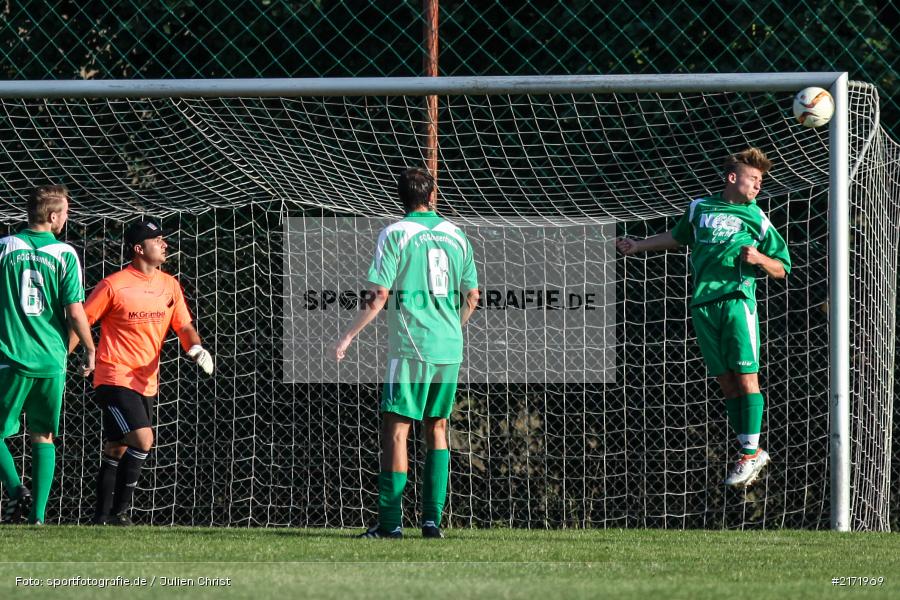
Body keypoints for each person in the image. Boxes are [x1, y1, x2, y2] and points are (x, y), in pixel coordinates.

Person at [616, 147, 791, 489]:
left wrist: (758, 259)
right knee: (726, 381)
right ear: (732, 178)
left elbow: (782, 267)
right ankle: (749, 451)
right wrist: (638, 245)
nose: (758, 185)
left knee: (746, 377)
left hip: (737, 302)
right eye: (753, 178)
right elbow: (678, 237)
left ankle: (750, 452)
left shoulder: (757, 218)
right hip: (703, 305)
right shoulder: (699, 208)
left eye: (760, 181)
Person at [332, 167, 479, 539]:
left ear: (401, 197)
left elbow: (379, 295)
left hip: (412, 346)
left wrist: (348, 335)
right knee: (438, 428)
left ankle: (391, 523)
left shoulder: (394, 234)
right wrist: (453, 329)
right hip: (450, 348)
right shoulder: (457, 235)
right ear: (432, 195)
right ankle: (432, 522)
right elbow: (473, 297)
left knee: (396, 431)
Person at [70, 219, 214, 525]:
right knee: (144, 439)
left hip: (147, 381)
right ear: (139, 249)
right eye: (157, 240)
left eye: (163, 239)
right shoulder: (114, 285)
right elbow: (83, 320)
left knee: (117, 447)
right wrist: (62, 357)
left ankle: (100, 518)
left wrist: (196, 348)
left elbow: (184, 325)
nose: (164, 245)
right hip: (114, 376)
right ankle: (121, 515)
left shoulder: (169, 284)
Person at [0, 184, 95, 525]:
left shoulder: (5, 247)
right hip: (51, 360)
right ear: (53, 216)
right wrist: (89, 347)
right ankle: (37, 517)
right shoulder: (65, 254)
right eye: (66, 212)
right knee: (44, 435)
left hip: (10, 356)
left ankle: (15, 490)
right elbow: (75, 311)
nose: (67, 218)